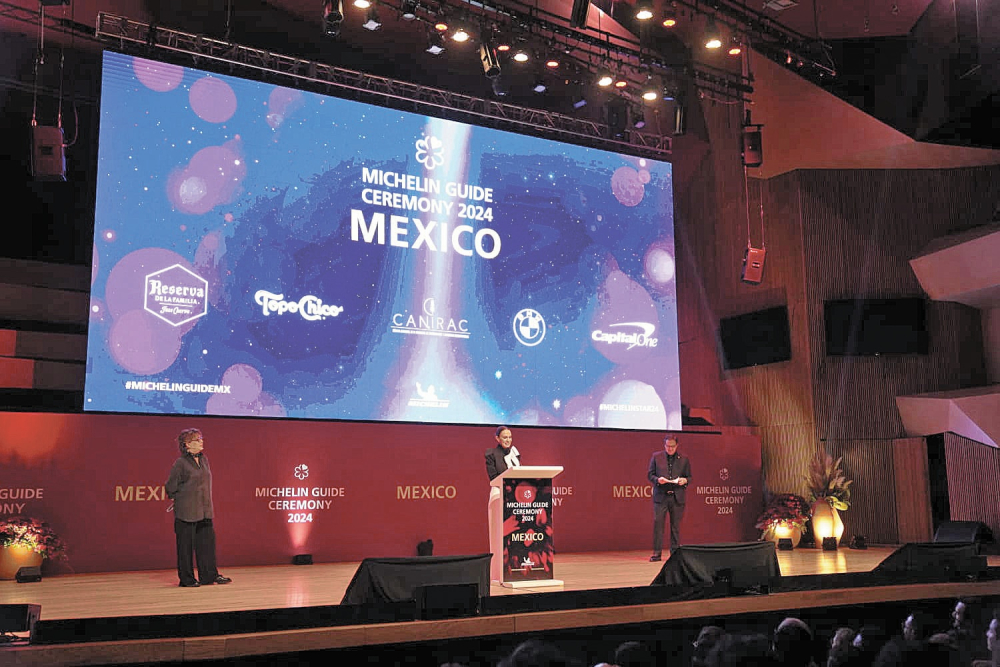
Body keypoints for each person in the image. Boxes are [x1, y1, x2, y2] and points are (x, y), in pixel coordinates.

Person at [165, 428, 232, 588]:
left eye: (201, 438)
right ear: (187, 444)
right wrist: (181, 498)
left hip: (205, 510)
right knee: (185, 548)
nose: (201, 441)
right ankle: (187, 579)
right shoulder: (180, 463)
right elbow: (170, 486)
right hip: (186, 512)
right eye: (197, 439)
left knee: (207, 545)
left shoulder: (204, 460)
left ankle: (209, 575)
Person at [647, 434, 690, 561]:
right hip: (661, 496)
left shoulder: (684, 458)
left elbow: (689, 477)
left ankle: (675, 553)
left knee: (675, 526)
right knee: (658, 524)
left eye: (672, 446)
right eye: (667, 446)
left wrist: (685, 480)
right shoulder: (656, 457)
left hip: (677, 496)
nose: (670, 448)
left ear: (677, 446)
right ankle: (657, 553)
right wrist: (657, 480)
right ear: (664, 445)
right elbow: (650, 474)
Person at [486, 425, 519, 581]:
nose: (508, 440)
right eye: (505, 437)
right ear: (497, 439)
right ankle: (499, 571)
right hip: (499, 496)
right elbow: (493, 477)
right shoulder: (491, 454)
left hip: (515, 498)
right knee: (500, 535)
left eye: (510, 437)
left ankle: (516, 566)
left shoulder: (515, 454)